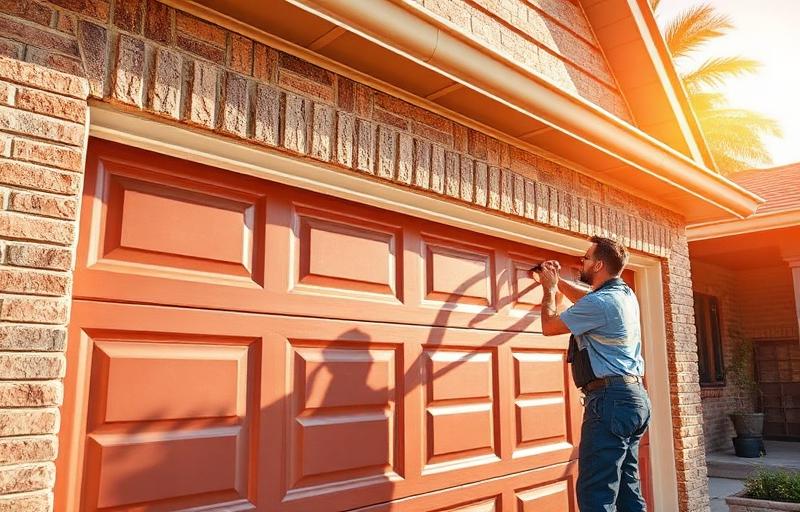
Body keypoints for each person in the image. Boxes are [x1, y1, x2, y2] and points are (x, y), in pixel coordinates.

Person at [533, 236, 651, 512]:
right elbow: (587, 299)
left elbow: (550, 326)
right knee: (626, 488)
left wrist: (549, 290)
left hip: (611, 401)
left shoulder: (601, 304)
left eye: (585, 258)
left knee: (596, 494)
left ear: (598, 264)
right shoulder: (623, 295)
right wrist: (558, 280)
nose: (581, 262)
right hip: (634, 400)